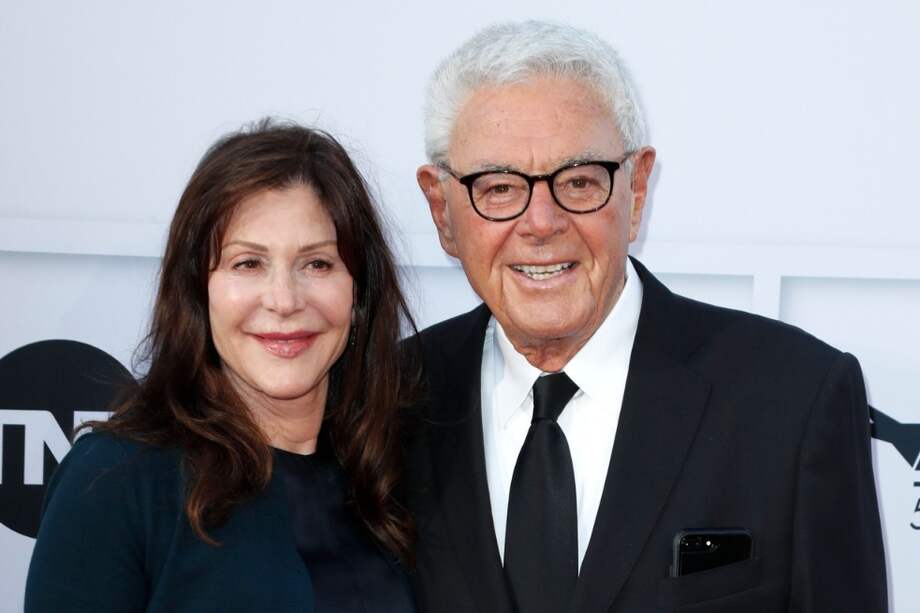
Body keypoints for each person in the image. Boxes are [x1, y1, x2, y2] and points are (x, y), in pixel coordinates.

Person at [407, 21, 887, 613]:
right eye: (500, 188)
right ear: (442, 210)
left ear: (635, 192)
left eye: (579, 181)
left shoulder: (794, 398)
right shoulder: (387, 399)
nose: (541, 222)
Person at [25, 121, 418, 613]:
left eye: (317, 264)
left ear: (359, 291)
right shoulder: (114, 483)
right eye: (247, 264)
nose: (284, 300)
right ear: (197, 290)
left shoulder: (392, 474)